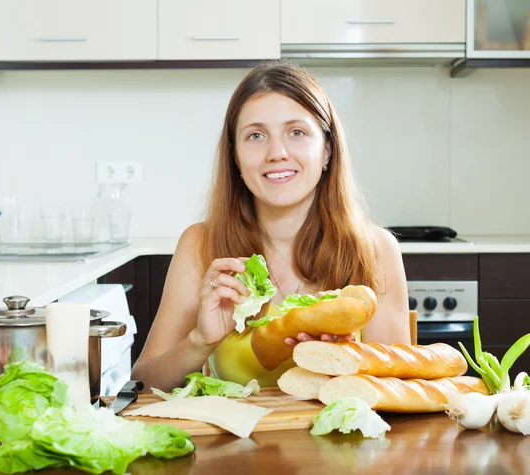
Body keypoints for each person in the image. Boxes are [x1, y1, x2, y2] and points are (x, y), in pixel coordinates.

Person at [131, 62, 410, 392]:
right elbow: (142, 384)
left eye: (296, 132)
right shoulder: (200, 244)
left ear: (327, 150)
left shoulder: (375, 249)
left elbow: (399, 389)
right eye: (256, 136)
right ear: (235, 157)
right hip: (232, 444)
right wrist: (199, 341)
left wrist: (352, 358)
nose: (276, 153)